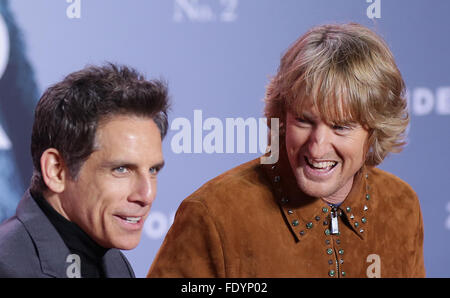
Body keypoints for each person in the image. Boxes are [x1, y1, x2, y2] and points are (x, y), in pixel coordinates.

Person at [148, 23, 425, 278]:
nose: (317, 148)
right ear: (282, 118)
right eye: (304, 121)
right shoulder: (211, 214)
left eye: (340, 127)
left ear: (375, 130)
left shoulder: (401, 205)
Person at [0, 63, 170, 278]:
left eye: (153, 170)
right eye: (121, 169)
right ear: (56, 170)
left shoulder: (115, 264)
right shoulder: (8, 267)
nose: (147, 195)